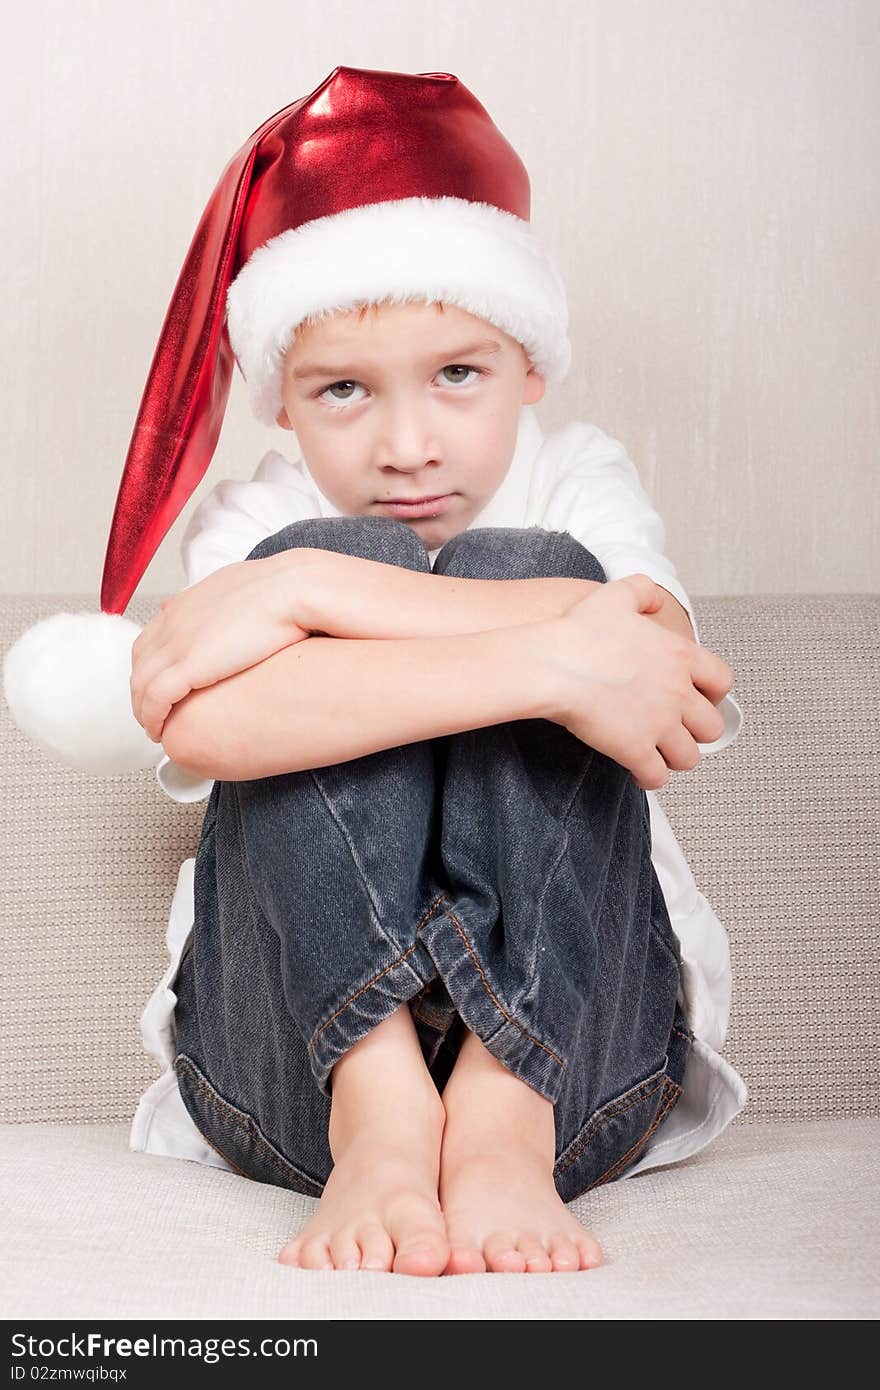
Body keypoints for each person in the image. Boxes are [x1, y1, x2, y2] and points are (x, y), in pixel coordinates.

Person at [3, 67, 747, 1278]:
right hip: (294, 1071)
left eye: (458, 373)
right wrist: (521, 644)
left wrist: (307, 607)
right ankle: (381, 1100)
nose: (407, 446)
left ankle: (501, 1107)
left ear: (532, 364)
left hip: (579, 1065)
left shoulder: (576, 480)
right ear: (283, 406)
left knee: (532, 557)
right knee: (343, 544)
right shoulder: (264, 517)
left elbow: (651, 659)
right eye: (343, 389)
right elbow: (215, 731)